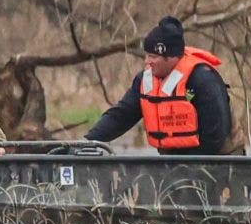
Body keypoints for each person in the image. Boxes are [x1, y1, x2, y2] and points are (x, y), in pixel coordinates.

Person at [84, 16, 233, 154]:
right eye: (147, 55)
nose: (147, 62)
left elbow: (215, 138)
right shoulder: (145, 80)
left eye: (153, 57)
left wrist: (186, 169)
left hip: (219, 159)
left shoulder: (203, 80)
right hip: (173, 161)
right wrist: (87, 143)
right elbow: (121, 115)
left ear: (172, 57)